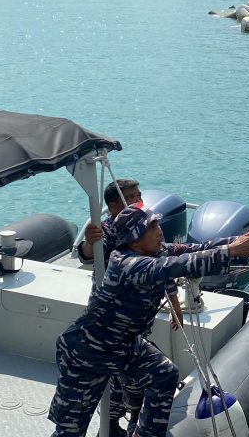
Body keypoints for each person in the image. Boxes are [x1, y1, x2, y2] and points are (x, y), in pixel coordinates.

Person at [49, 206, 249, 437]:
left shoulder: (155, 252)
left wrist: (246, 239)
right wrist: (231, 252)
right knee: (70, 430)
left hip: (124, 344)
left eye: (157, 224)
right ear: (133, 240)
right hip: (88, 352)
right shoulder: (127, 264)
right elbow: (180, 265)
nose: (159, 231)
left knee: (164, 374)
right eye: (151, 227)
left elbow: (198, 249)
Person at [77, 179, 181, 437]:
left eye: (139, 195)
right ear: (114, 206)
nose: (139, 200)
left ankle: (133, 419)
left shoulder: (146, 227)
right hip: (110, 319)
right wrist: (89, 242)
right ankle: (113, 423)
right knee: (118, 375)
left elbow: (163, 263)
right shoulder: (107, 231)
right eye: (132, 197)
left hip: (138, 315)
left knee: (135, 374)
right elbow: (88, 254)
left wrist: (175, 302)